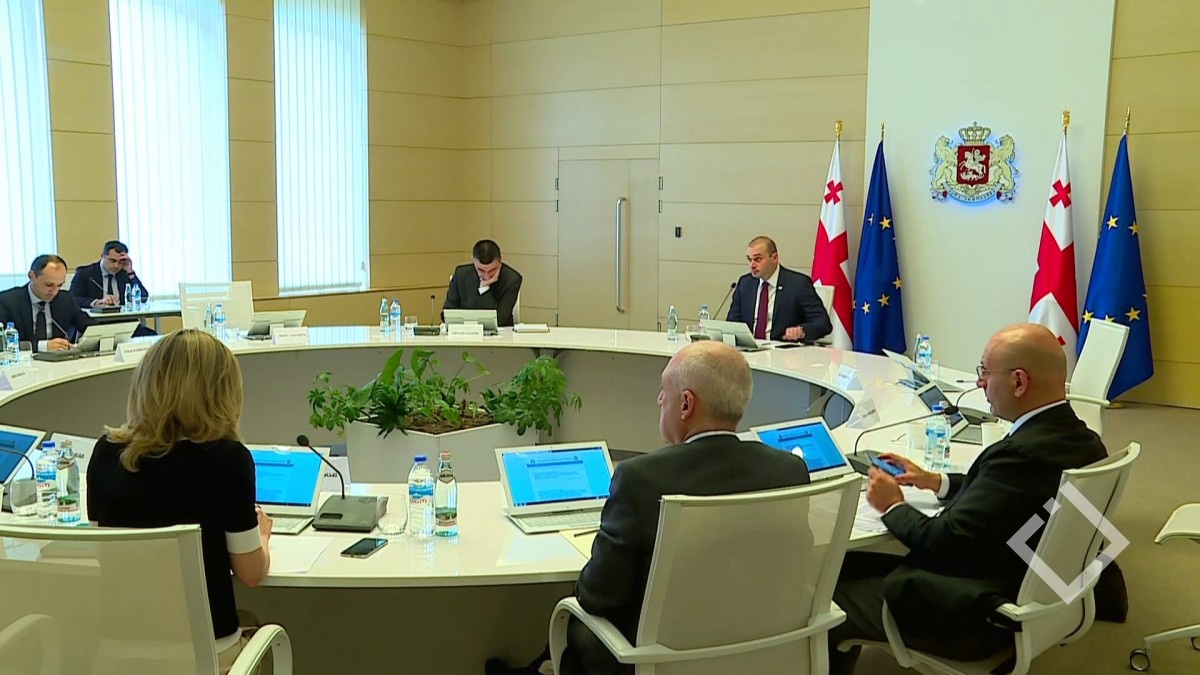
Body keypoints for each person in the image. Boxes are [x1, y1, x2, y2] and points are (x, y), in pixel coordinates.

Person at [492, 342, 810, 675]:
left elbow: (598, 596)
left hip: (664, 660)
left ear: (686, 404)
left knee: (578, 629)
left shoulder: (640, 478)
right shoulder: (789, 470)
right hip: (762, 650)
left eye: (663, 390)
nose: (659, 399)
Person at [828, 323, 1108, 674]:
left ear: (1019, 382)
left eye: (985, 372)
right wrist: (937, 482)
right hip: (1032, 587)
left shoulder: (1018, 456)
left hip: (979, 614)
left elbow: (940, 541)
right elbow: (1008, 497)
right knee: (846, 565)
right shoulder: (1084, 441)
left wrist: (892, 505)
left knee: (823, 598)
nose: (979, 383)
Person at [86, 329, 271, 673]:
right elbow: (249, 573)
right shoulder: (229, 459)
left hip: (116, 656)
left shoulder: (106, 453)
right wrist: (262, 536)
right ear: (222, 392)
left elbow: (103, 551)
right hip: (205, 656)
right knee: (258, 630)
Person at [726, 236, 831, 343]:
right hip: (749, 347)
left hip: (783, 349)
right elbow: (732, 322)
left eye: (758, 259)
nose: (752, 265)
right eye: (749, 259)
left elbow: (823, 323)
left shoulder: (798, 284)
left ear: (774, 257)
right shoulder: (745, 283)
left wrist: (801, 331)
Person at [0, 254, 96, 351]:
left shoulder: (65, 299)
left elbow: (88, 325)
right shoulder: (7, 301)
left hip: (60, 357)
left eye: (59, 285)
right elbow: (1, 343)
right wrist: (42, 346)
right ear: (31, 276)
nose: (54, 292)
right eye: (49, 285)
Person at [443, 239, 523, 327]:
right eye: (481, 270)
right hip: (465, 331)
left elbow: (498, 319)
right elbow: (447, 314)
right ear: (473, 260)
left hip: (501, 333)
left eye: (492, 270)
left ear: (501, 260)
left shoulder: (512, 279)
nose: (487, 276)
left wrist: (484, 288)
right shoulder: (461, 274)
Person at [69, 240, 150, 310]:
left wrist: (130, 272)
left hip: (123, 319)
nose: (116, 266)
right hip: (96, 320)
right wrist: (95, 302)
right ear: (102, 256)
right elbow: (72, 299)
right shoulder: (86, 273)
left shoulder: (124, 273)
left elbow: (144, 298)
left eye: (120, 262)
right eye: (112, 261)